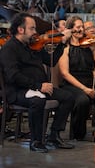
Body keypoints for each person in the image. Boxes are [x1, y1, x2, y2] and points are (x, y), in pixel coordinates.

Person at [0, 13, 75, 152]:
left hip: (39, 88)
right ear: (21, 30)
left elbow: (49, 61)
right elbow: (13, 76)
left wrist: (62, 43)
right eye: (32, 28)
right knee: (37, 101)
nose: (36, 32)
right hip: (18, 91)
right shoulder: (9, 48)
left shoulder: (33, 45)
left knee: (68, 97)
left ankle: (54, 135)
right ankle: (36, 141)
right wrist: (39, 86)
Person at [58, 16, 95, 142]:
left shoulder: (91, 45)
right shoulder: (65, 48)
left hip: (90, 81)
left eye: (82, 27)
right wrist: (84, 89)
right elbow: (65, 74)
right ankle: (78, 133)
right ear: (71, 29)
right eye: (78, 27)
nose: (81, 30)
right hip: (72, 84)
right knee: (82, 100)